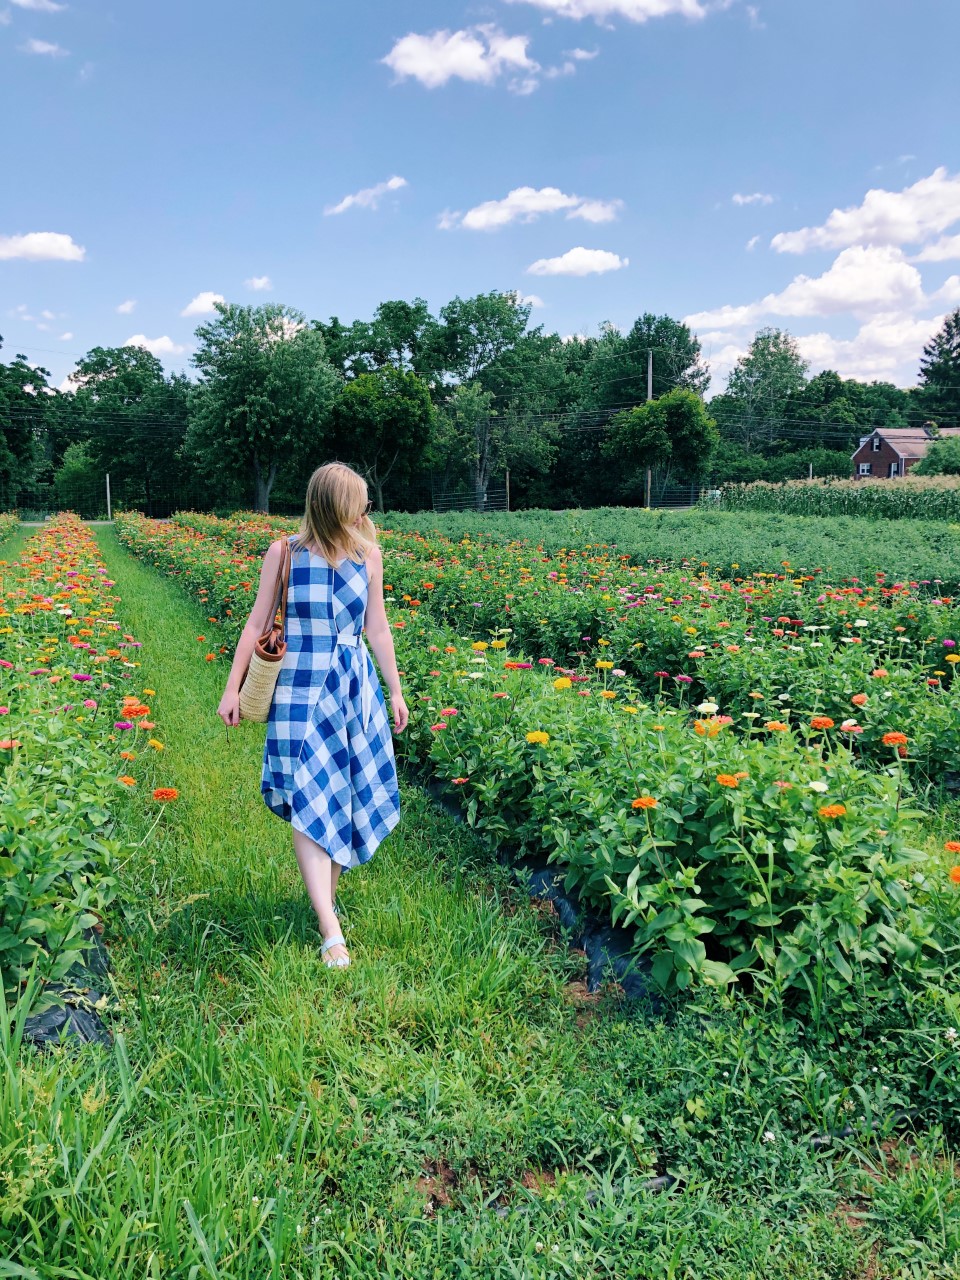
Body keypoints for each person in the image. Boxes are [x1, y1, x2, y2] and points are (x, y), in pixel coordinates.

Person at [217, 462, 408, 968]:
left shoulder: (369, 556)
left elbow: (378, 629)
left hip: (353, 689)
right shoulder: (284, 553)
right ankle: (329, 927)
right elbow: (255, 623)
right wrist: (232, 688)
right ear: (334, 506)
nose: (365, 511)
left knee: (341, 793)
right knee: (308, 794)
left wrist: (395, 691)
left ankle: (325, 904)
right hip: (298, 687)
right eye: (359, 502)